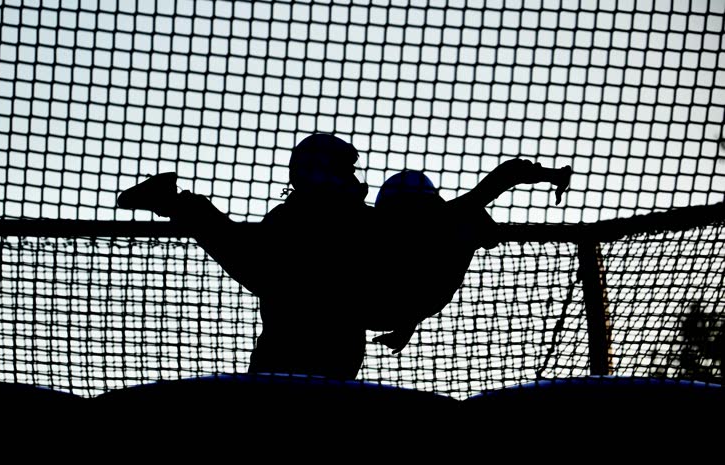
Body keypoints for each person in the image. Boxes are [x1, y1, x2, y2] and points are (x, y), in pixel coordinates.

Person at [118, 133, 374, 380]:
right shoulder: (322, 219)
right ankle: (175, 202)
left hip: (300, 363)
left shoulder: (335, 218)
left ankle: (174, 202)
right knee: (248, 258)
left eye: (352, 170)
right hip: (298, 361)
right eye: (345, 170)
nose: (353, 177)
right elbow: (256, 268)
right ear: (322, 173)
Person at [370, 160, 572, 354]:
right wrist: (552, 175)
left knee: (470, 219)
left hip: (388, 308)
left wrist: (407, 324)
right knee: (470, 218)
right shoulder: (440, 220)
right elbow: (506, 176)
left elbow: (415, 277)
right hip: (391, 306)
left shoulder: (434, 223)